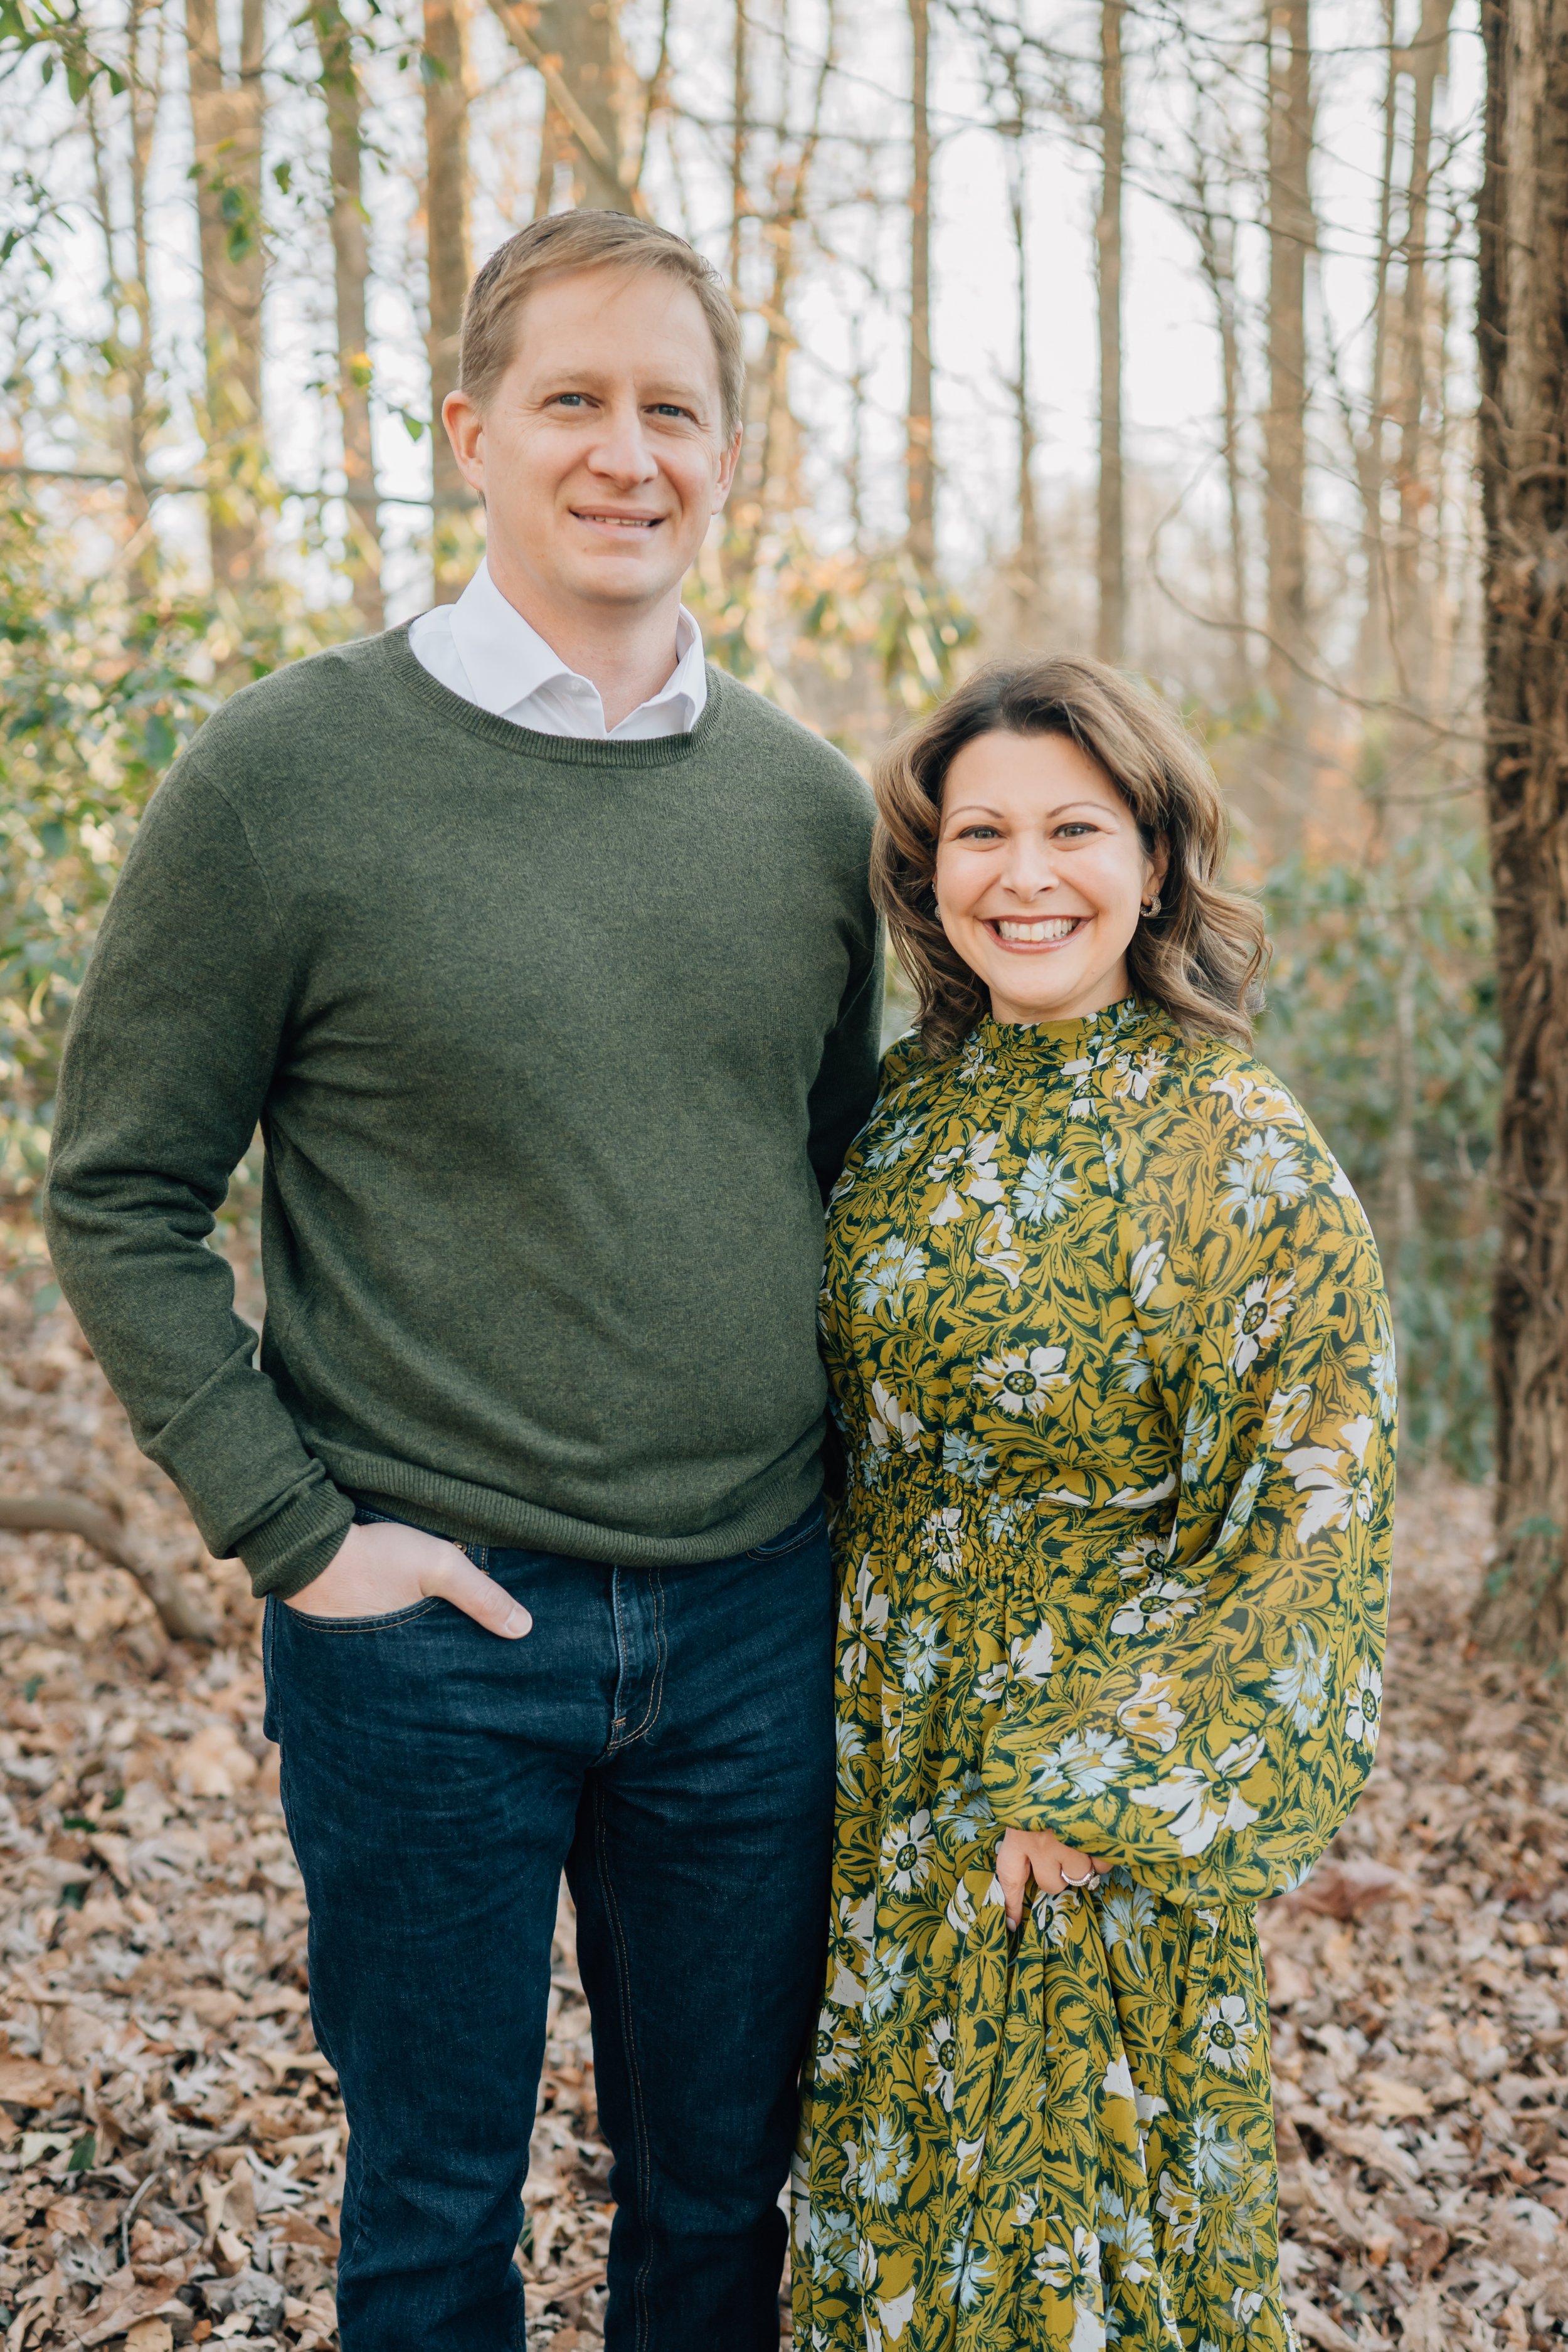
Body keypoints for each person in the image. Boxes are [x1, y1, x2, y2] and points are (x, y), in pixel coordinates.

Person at [43, 210, 882, 2352]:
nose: (626, 452)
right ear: (467, 434)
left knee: (722, 2197)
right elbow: (121, 1188)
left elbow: (838, 1190)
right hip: (428, 1639)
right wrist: (298, 1538)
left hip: (751, 1625)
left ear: (727, 454)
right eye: (573, 400)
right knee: (432, 2210)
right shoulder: (280, 782)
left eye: (670, 408)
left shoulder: (806, 813)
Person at [793, 657, 1394, 2351]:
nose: (1023, 873)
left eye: (1072, 827)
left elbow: (1316, 1532)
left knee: (1068, 2242)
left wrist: (1103, 1791)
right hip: (880, 1762)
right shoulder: (901, 1117)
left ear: (1152, 860)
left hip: (1081, 1798)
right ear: (931, 877)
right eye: (979, 833)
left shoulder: (1243, 1159)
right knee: (907, 2220)